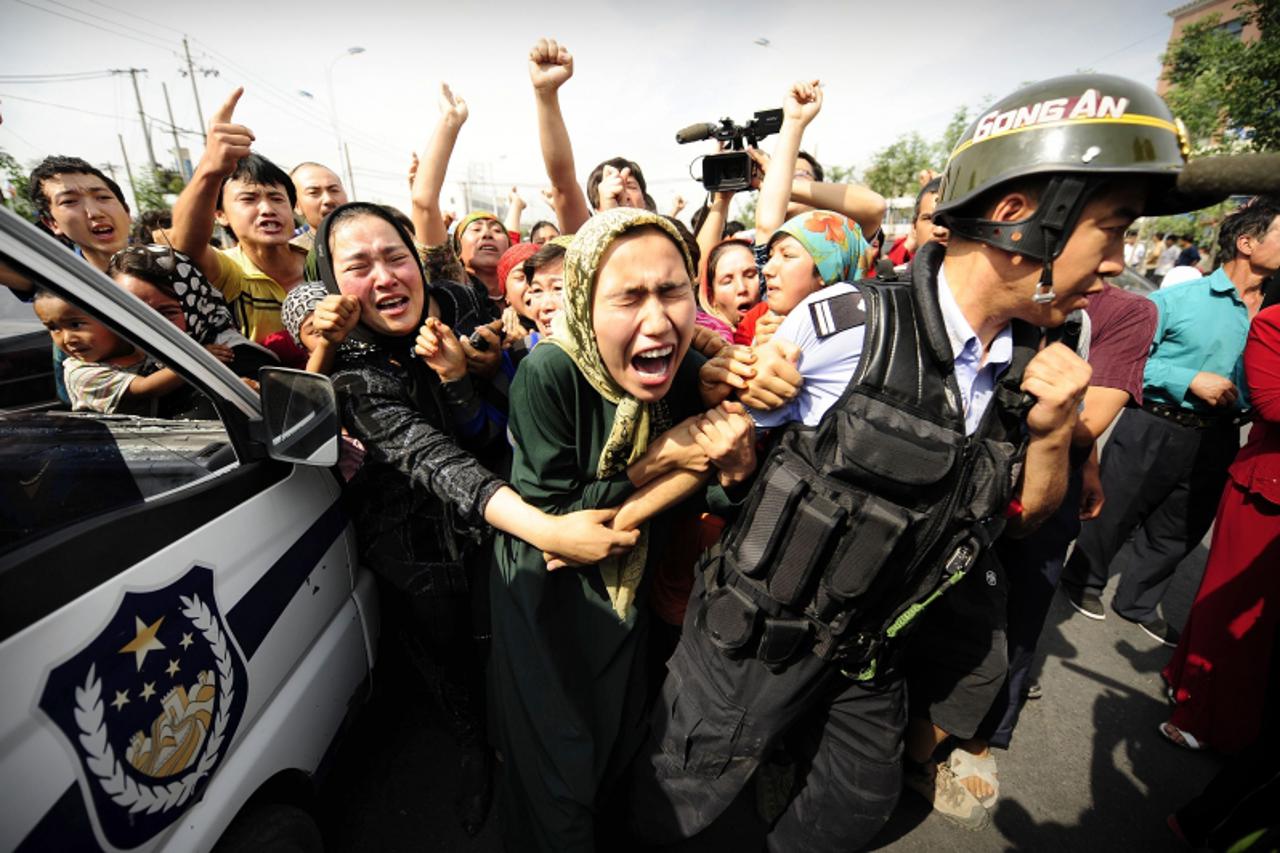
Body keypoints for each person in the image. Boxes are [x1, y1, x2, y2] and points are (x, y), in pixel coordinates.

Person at [629, 72, 1194, 851]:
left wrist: (1056, 427)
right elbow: (700, 445)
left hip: (873, 647)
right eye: (1112, 228)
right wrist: (655, 467)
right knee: (676, 803)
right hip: (754, 641)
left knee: (855, 808)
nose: (1119, 261)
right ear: (1019, 218)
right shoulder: (845, 326)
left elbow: (1025, 520)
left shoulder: (1043, 360)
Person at [313, 201, 638, 836]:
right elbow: (437, 463)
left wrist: (466, 376)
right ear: (332, 287)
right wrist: (547, 530)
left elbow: (488, 428)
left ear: (418, 261)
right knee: (449, 662)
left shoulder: (461, 306)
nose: (383, 278)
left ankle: (509, 744)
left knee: (504, 655)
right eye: (357, 267)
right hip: (417, 552)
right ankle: (472, 752)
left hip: (495, 533)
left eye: (395, 257)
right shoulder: (351, 368)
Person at [489, 208, 756, 852]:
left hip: (629, 600)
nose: (658, 321)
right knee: (556, 764)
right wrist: (660, 458)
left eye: (672, 291)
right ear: (583, 300)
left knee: (617, 744)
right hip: (549, 599)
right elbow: (556, 518)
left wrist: (737, 467)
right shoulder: (549, 373)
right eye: (629, 297)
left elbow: (709, 486)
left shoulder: (684, 368)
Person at [919, 279, 1157, 825]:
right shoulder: (991, 280)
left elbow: (1088, 422)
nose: (1110, 262)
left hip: (1042, 487)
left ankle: (978, 737)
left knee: (1017, 615)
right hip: (958, 469)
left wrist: (1075, 440)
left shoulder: (1126, 311)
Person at [1062, 200, 1280, 646]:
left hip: (1220, 434)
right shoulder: (1178, 300)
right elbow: (1123, 362)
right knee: (1116, 510)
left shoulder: (1273, 310)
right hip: (1155, 422)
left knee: (1181, 526)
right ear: (1246, 243)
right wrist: (1187, 378)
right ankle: (1083, 581)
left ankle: (1138, 601)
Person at [1159, 302, 1280, 752]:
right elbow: (1270, 402)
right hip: (1266, 494)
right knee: (1235, 607)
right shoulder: (1274, 323)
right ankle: (1199, 708)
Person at [170, 88, 307, 343]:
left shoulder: (321, 264)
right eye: (249, 199)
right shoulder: (229, 270)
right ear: (220, 214)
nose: (267, 209)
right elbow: (183, 246)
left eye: (277, 198)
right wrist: (210, 169)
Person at [32, 288, 232, 416]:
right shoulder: (81, 374)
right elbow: (146, 388)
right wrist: (199, 361)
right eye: (53, 328)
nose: (67, 339)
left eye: (76, 324)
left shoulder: (137, 346)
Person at [28, 155, 131, 272]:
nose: (94, 213)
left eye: (103, 197)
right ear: (52, 223)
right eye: (69, 201)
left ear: (126, 211)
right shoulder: (61, 284)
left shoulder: (156, 263)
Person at [885, 177, 949, 268]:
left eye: (948, 218)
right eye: (929, 219)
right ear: (914, 227)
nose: (940, 230)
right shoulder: (892, 280)